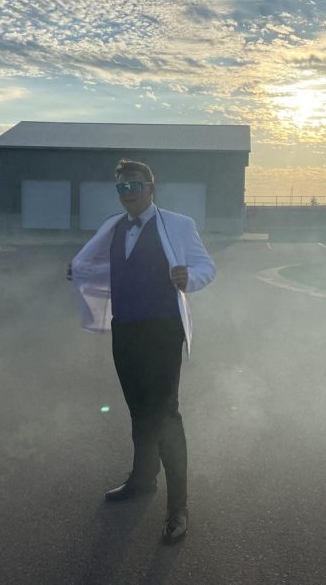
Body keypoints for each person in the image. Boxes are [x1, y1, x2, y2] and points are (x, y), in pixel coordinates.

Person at [68, 159, 216, 545]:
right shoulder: (113, 227)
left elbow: (206, 266)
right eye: (121, 187)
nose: (128, 193)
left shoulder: (178, 224)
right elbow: (97, 263)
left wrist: (190, 278)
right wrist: (78, 270)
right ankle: (142, 478)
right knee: (138, 410)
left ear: (151, 187)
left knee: (165, 414)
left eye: (135, 185)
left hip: (163, 332)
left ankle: (178, 508)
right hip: (126, 330)